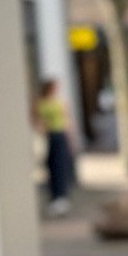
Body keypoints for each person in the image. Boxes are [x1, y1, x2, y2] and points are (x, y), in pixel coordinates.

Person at [35, 76, 76, 215]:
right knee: (52, 166)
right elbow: (38, 119)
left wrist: (70, 138)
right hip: (50, 136)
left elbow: (67, 120)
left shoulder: (59, 102)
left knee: (61, 166)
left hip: (60, 135)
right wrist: (42, 128)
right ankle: (55, 197)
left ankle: (62, 197)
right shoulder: (43, 103)